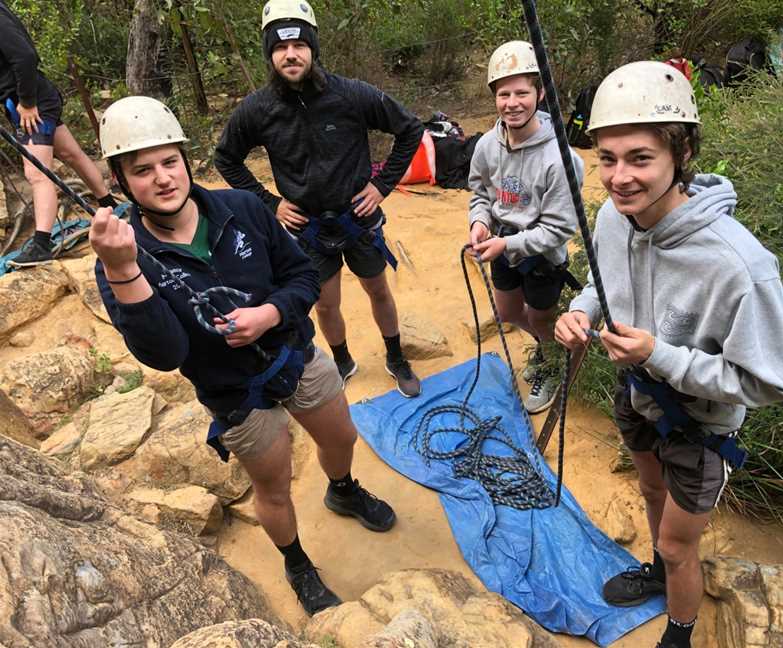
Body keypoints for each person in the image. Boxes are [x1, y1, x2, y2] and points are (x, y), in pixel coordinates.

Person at [90, 96, 396, 617]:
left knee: (342, 436)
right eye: (142, 170)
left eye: (169, 162)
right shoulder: (122, 255)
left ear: (186, 162)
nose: (162, 178)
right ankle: (296, 561)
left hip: (294, 355)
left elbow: (302, 276)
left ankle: (342, 490)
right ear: (121, 182)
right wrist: (123, 270)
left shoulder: (244, 209)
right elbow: (166, 354)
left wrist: (270, 314)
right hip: (236, 393)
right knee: (273, 487)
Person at [554, 61, 783, 648]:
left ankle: (680, 633)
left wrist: (661, 354)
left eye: (640, 158)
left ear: (681, 151)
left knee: (676, 541)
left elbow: (768, 383)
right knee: (650, 492)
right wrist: (584, 309)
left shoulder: (739, 266)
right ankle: (659, 575)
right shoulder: (615, 217)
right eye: (606, 158)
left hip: (699, 424)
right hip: (636, 393)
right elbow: (605, 282)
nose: (618, 178)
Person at [214, 0, 424, 397]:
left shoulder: (351, 95)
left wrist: (382, 186)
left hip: (358, 220)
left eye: (298, 45)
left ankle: (396, 357)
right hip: (308, 228)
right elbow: (226, 157)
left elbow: (410, 129)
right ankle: (342, 361)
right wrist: (268, 202)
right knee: (326, 303)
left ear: (312, 47)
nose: (290, 55)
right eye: (279, 47)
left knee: (378, 289)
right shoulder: (259, 109)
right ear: (269, 53)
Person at [468, 40, 583, 413]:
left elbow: (559, 228)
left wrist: (507, 245)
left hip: (542, 257)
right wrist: (480, 222)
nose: (512, 103)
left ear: (539, 92)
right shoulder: (487, 145)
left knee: (540, 316)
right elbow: (480, 192)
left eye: (522, 92)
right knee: (507, 312)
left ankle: (550, 361)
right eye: (504, 94)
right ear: (494, 97)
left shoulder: (560, 158)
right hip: (501, 246)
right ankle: (544, 346)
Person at [0, 1, 116, 268]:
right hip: (30, 98)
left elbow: (25, 56)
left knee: (36, 173)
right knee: (70, 153)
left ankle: (41, 243)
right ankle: (107, 204)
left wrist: (27, 102)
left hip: (31, 101)